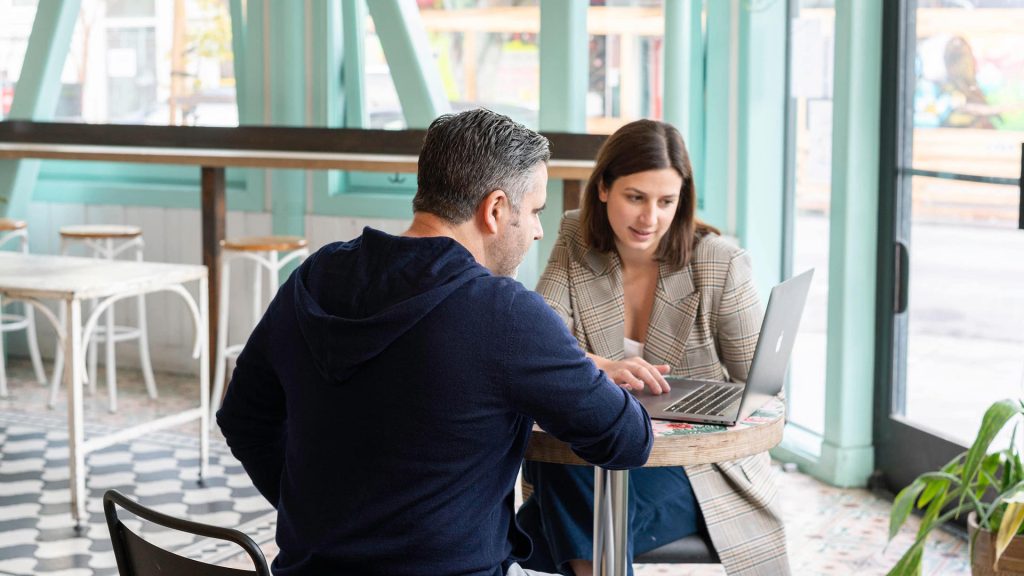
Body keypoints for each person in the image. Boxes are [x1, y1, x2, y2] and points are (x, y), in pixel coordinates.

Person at [216, 108, 654, 576]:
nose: (538, 230)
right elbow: (628, 440)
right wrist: (580, 367)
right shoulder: (505, 314)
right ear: (495, 209)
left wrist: (315, 520)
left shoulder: (316, 277)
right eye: (533, 212)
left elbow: (243, 417)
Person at [516, 119, 790, 576]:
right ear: (603, 188)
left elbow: (764, 395)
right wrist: (601, 367)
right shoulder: (574, 238)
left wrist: (694, 419)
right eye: (635, 197)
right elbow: (536, 347)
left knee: (523, 531)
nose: (650, 219)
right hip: (599, 453)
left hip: (698, 469)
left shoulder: (719, 263)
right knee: (570, 468)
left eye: (667, 201)